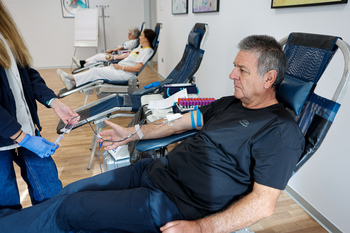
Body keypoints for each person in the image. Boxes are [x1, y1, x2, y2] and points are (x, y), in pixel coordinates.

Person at [0, 34, 305, 233]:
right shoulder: (229, 104)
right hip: (150, 171)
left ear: (269, 79)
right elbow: (179, 124)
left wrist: (199, 229)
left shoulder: (280, 131)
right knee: (68, 193)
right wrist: (132, 133)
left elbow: (263, 204)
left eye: (242, 70)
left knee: (68, 210)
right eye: (234, 67)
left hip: (171, 202)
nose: (231, 75)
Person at [0, 0, 79, 211]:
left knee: (51, 193)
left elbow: (28, 75)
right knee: (6, 206)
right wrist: (23, 139)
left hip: (27, 130)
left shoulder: (6, 33)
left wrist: (54, 102)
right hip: (5, 139)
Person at [57, 29, 156, 91]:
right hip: (118, 69)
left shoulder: (147, 51)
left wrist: (121, 67)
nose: (139, 37)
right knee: (96, 69)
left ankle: (73, 80)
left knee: (96, 72)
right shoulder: (140, 48)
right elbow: (128, 55)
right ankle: (73, 80)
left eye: (141, 35)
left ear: (146, 39)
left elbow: (137, 68)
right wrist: (114, 57)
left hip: (125, 74)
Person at [72, 27, 140, 68]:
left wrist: (112, 50)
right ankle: (83, 63)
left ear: (134, 35)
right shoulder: (133, 41)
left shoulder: (132, 42)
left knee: (98, 57)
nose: (128, 35)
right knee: (98, 57)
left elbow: (121, 48)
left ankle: (83, 63)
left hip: (118, 56)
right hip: (119, 54)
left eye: (129, 34)